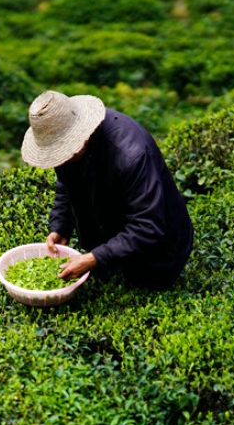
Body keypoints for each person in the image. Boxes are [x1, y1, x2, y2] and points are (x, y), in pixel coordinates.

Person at [21, 90, 193, 290]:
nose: (62, 159)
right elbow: (66, 185)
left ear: (81, 137)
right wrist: (60, 226)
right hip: (109, 233)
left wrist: (94, 258)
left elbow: (148, 226)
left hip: (160, 250)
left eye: (64, 151)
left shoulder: (131, 155)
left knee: (144, 286)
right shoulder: (63, 136)